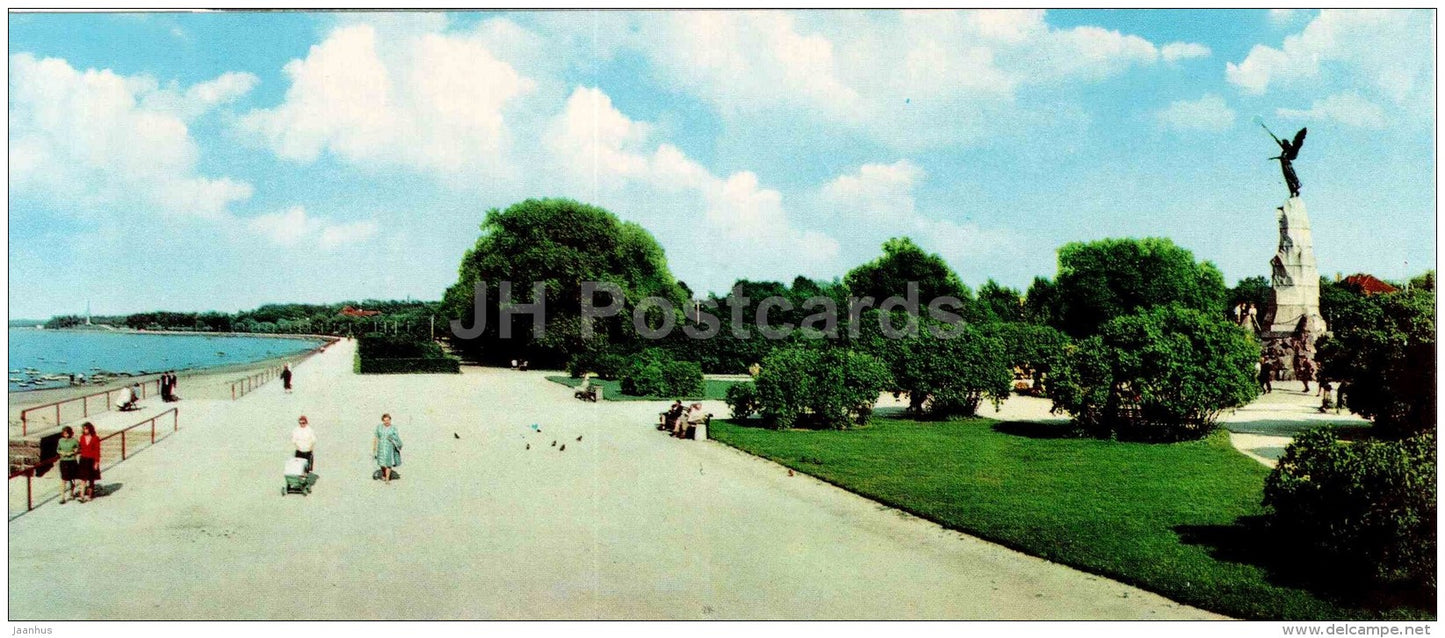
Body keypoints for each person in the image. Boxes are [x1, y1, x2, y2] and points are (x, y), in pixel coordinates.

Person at [373, 413, 403, 484]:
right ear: (382, 421)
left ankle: (387, 478)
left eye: (388, 420)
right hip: (381, 447)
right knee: (382, 463)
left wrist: (392, 438)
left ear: (390, 420)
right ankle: (384, 473)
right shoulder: (379, 427)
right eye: (385, 420)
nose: (387, 422)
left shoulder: (393, 428)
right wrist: (374, 447)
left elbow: (397, 437)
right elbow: (376, 437)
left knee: (388, 463)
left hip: (389, 447)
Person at [56, 426, 81, 504]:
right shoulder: (60, 440)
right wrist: (61, 452)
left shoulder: (74, 441)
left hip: (72, 461)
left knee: (72, 478)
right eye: (64, 433)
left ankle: (72, 493)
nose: (65, 435)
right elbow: (58, 449)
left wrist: (73, 452)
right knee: (64, 479)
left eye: (67, 433)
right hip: (64, 461)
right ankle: (62, 497)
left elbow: (78, 448)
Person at [78, 422, 101, 502]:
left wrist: (96, 462)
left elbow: (97, 451)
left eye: (86, 429)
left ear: (90, 429)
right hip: (83, 459)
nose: (85, 430)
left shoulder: (95, 438)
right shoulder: (82, 437)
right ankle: (81, 495)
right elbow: (80, 448)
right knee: (83, 479)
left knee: (91, 478)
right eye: (84, 429)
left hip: (91, 460)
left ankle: (90, 495)